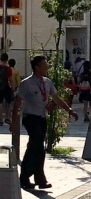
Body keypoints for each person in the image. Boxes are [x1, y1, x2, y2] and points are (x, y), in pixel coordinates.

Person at [14, 56, 77, 192]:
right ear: (37, 67)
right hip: (30, 118)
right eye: (44, 65)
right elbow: (17, 102)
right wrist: (14, 122)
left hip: (42, 118)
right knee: (37, 146)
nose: (47, 67)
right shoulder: (27, 83)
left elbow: (56, 98)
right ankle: (32, 177)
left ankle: (33, 177)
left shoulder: (47, 82)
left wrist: (69, 110)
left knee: (36, 147)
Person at [0, 53, 13, 125]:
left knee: (0, 103)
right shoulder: (8, 69)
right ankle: (7, 118)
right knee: (8, 102)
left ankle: (0, 119)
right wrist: (12, 88)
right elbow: (11, 79)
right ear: (7, 59)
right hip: (6, 87)